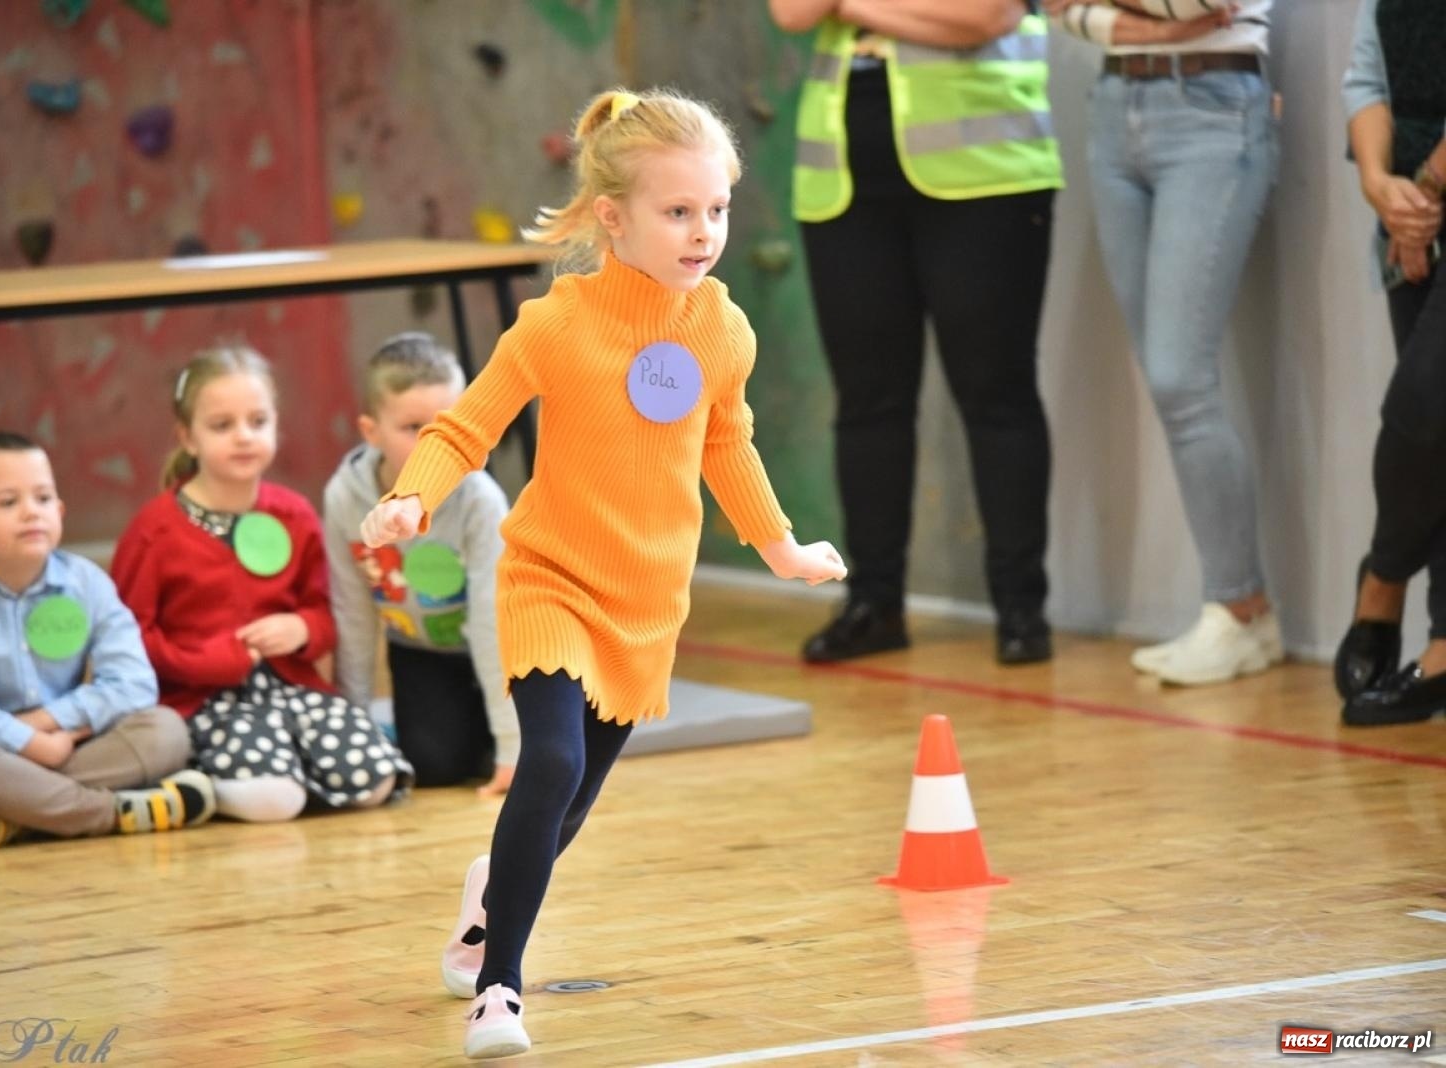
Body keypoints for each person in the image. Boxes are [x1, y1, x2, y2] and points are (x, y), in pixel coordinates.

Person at [359, 88, 847, 1059]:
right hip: (549, 578)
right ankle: (499, 989)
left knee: (566, 806)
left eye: (715, 209)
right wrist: (414, 493)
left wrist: (781, 546)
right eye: (678, 212)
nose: (702, 231)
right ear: (612, 217)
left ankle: (484, 904)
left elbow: (728, 445)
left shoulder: (723, 330)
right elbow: (467, 424)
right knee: (550, 761)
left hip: (647, 600)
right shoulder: (556, 322)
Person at [770, 0, 1062, 666]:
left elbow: (986, 16)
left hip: (987, 171)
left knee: (997, 394)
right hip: (843, 171)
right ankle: (874, 603)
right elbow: (790, 11)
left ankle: (1021, 607)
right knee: (868, 403)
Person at [1047, 0, 1284, 686]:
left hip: (1215, 102)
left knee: (1182, 376)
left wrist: (1124, 13)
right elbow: (1055, 8)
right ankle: (1244, 611)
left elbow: (1206, 3)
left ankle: (1239, 610)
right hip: (1116, 101)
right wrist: (1149, 26)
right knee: (1165, 375)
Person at [111, 346, 414, 822]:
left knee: (375, 780)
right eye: (222, 425)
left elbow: (323, 611)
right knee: (273, 802)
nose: (243, 437)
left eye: (257, 421)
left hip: (289, 687)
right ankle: (210, 779)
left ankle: (288, 768)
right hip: (202, 700)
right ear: (187, 438)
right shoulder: (154, 530)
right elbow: (127, 639)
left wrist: (302, 629)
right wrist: (203, 662)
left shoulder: (294, 513)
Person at [0, 432, 216, 855]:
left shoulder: (86, 582)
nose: (32, 512)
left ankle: (9, 818)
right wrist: (28, 743)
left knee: (166, 731)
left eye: (44, 498)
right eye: (8, 502)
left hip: (62, 743)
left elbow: (134, 683)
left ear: (60, 511)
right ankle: (108, 813)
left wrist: (49, 724)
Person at [323, 331, 519, 794]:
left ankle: (502, 733)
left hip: (504, 650)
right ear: (371, 431)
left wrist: (513, 746)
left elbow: (495, 624)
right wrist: (353, 735)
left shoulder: (479, 501)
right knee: (434, 767)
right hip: (424, 652)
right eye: (413, 429)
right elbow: (352, 618)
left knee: (527, 757)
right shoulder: (344, 499)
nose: (434, 443)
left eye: (446, 425)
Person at [1335, 0, 1446, 726]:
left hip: (1425, 201)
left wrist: (1426, 193)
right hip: (1411, 207)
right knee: (1434, 434)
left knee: (1424, 406)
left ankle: (1383, 577)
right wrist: (1382, 185)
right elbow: (1365, 76)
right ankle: (1441, 644)